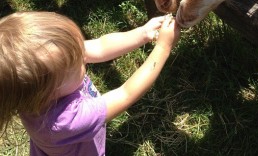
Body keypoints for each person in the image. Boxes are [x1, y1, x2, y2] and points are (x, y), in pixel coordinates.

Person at [0, 11, 181, 155]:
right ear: (47, 92)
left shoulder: (38, 83)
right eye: (76, 62)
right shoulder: (65, 120)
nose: (82, 57)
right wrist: (163, 47)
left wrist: (143, 33)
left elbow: (101, 46)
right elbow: (126, 93)